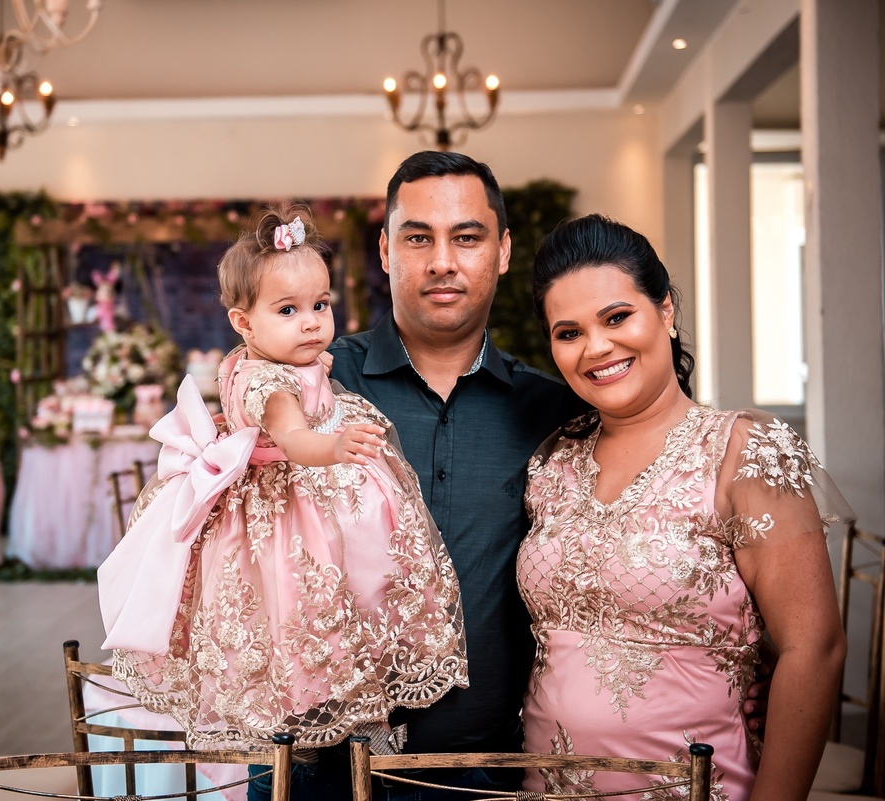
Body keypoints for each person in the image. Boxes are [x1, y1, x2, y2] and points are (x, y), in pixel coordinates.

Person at [250, 152, 772, 801]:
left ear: (501, 251)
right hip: (311, 765)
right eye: (418, 237)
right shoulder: (307, 390)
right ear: (385, 249)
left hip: (488, 773)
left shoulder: (559, 412)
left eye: (466, 237)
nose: (443, 260)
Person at [97, 206, 468, 752]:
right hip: (287, 512)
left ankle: (355, 718)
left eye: (320, 305)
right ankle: (319, 726)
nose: (313, 322)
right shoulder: (265, 380)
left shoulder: (290, 359)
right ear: (243, 323)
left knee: (357, 592)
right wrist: (335, 446)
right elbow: (293, 437)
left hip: (318, 499)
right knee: (299, 609)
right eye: (288, 309)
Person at [519, 213, 848, 800]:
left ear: (666, 311)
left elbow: (813, 648)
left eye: (617, 317)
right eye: (568, 333)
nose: (596, 347)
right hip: (545, 787)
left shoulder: (743, 453)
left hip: (695, 788)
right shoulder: (553, 461)